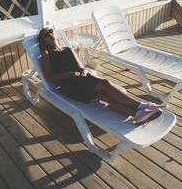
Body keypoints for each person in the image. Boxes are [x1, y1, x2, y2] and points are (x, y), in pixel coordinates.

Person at [38, 27, 166, 125]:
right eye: (46, 35)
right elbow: (49, 77)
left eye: (50, 31)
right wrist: (70, 74)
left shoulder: (68, 49)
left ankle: (138, 114)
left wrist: (82, 71)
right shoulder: (46, 54)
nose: (50, 35)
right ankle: (145, 105)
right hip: (69, 85)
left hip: (81, 80)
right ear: (43, 41)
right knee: (105, 83)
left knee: (106, 96)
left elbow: (81, 67)